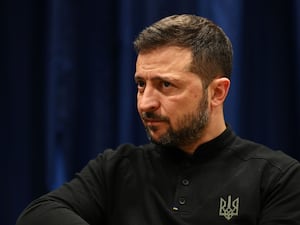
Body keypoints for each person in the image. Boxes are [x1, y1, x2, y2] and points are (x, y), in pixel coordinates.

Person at [16, 14, 300, 225]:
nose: (145, 103)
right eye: (141, 84)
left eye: (166, 85)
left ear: (217, 92)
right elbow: (37, 215)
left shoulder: (278, 179)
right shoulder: (117, 168)